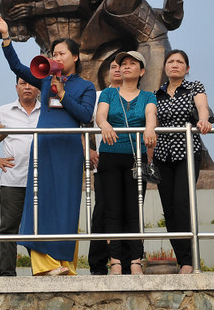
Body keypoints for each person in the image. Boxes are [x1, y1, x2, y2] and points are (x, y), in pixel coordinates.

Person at [0, 11, 96, 276]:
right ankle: (44, 267)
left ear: (75, 57)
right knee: (41, 204)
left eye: (61, 54)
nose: (56, 57)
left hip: (69, 151)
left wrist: (63, 93)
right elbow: (17, 67)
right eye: (54, 53)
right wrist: (5, 36)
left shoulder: (86, 86)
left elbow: (83, 115)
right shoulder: (44, 79)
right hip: (44, 149)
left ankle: (65, 265)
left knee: (67, 207)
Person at [95, 51, 157, 275]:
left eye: (132, 64)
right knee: (112, 210)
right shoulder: (109, 94)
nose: (126, 67)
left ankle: (135, 261)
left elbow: (150, 116)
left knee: (134, 209)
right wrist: (104, 124)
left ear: (141, 71)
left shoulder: (148, 96)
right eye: (123, 64)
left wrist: (150, 128)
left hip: (135, 157)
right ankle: (115, 262)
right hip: (110, 154)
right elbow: (100, 116)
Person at [153, 49, 212, 274]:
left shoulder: (194, 87)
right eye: (171, 61)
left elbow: (202, 108)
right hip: (162, 155)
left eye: (179, 62)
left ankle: (189, 260)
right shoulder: (156, 93)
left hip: (187, 152)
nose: (174, 65)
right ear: (165, 67)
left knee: (181, 203)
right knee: (168, 209)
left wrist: (204, 121)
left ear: (187, 68)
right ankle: (182, 259)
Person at [0, 77, 41, 276]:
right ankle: (7, 273)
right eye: (22, 83)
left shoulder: (47, 112)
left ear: (39, 88)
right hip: (12, 179)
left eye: (32, 83)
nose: (27, 87)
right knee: (9, 227)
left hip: (41, 180)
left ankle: (42, 270)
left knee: (39, 228)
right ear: (16, 87)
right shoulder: (3, 111)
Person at [89, 56, 123, 275]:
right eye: (113, 67)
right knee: (102, 211)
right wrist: (88, 150)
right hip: (103, 160)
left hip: (130, 160)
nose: (118, 70)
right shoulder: (99, 96)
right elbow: (83, 124)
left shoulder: (138, 96)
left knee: (128, 210)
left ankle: (126, 259)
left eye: (123, 66)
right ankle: (98, 262)